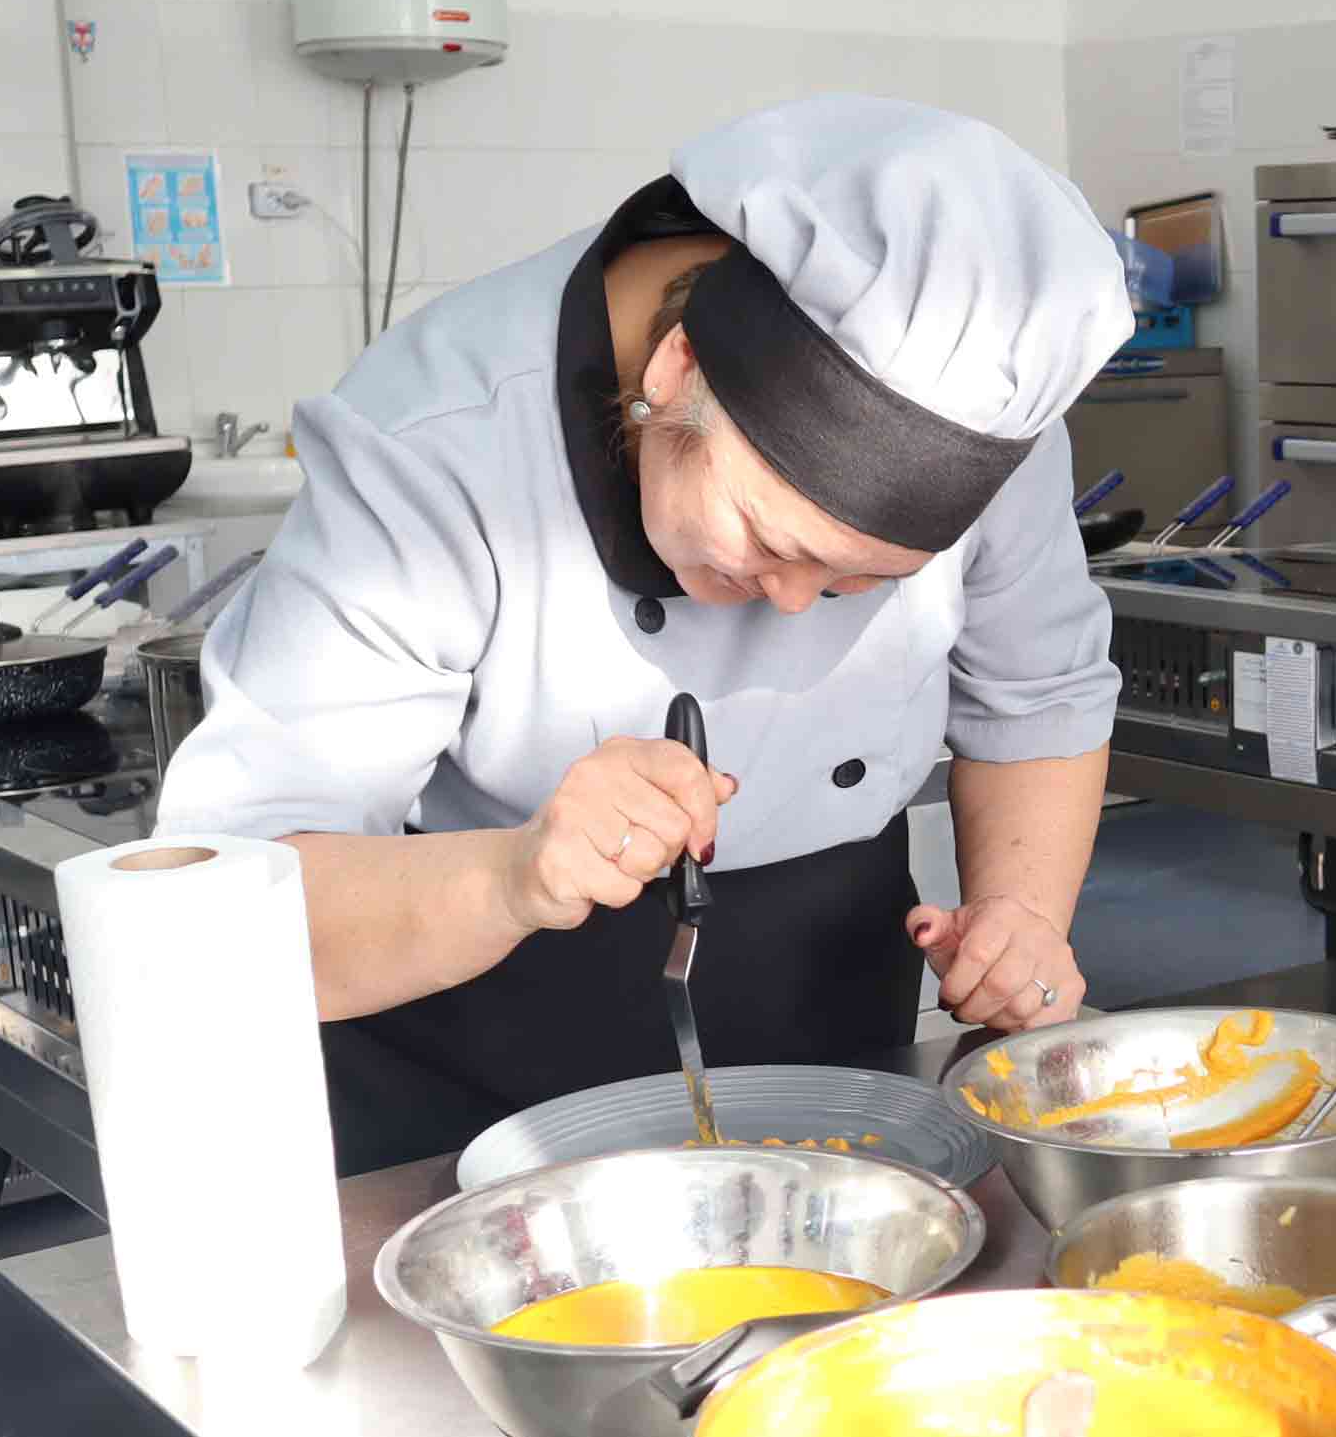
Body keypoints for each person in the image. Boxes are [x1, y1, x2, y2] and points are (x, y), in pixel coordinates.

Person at [159, 98, 1128, 1167]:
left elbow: (1040, 697)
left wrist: (1020, 915)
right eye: (771, 540)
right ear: (673, 372)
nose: (793, 605)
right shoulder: (437, 436)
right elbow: (239, 904)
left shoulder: (979, 402)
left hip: (835, 1007)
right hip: (476, 1056)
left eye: (863, 581)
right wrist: (514, 875)